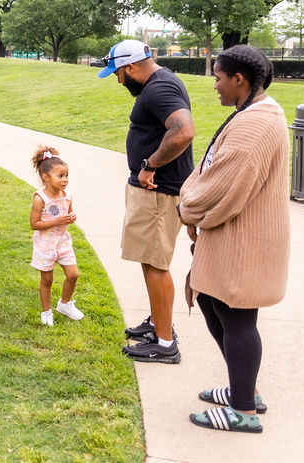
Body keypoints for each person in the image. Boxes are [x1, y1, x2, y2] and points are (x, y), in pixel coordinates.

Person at [179, 45, 289, 434]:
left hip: (245, 241)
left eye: (218, 77)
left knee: (238, 319)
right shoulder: (253, 113)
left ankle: (244, 409)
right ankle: (245, 388)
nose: (215, 85)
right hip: (235, 237)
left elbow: (221, 188)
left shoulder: (255, 125)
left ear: (239, 80)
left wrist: (186, 208)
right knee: (213, 303)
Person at [98, 39, 194, 364]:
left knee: (156, 265)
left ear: (131, 67)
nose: (117, 79)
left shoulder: (157, 88)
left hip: (159, 191)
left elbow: (183, 132)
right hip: (154, 191)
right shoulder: (159, 82)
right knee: (149, 260)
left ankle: (165, 343)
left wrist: (149, 165)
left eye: (117, 73)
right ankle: (157, 322)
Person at [29, 146, 83, 326]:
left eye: (67, 175)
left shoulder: (67, 195)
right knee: (47, 279)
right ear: (46, 177)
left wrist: (71, 217)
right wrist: (57, 220)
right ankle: (46, 312)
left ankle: (65, 304)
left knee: (73, 274)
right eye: (60, 176)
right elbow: (34, 224)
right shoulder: (40, 198)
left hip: (63, 242)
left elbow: (68, 215)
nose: (65, 180)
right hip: (45, 244)